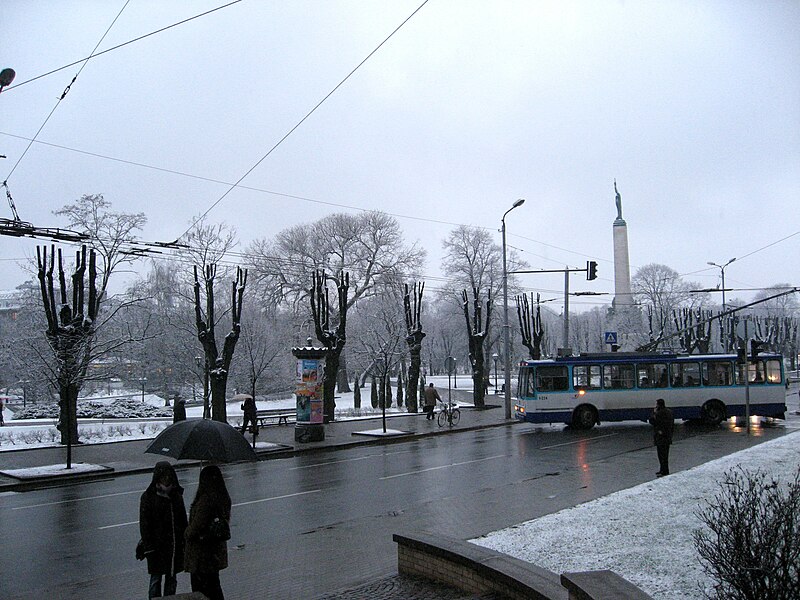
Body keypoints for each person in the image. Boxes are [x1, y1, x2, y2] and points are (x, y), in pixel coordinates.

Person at [139, 461, 188, 598]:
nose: (166, 479)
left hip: (173, 545)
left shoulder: (176, 495)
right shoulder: (149, 497)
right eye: (163, 476)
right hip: (156, 547)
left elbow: (183, 520)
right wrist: (149, 547)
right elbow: (145, 524)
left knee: (171, 578)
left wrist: (184, 540)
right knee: (156, 579)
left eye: (168, 476)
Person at [184, 465, 232, 600]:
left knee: (201, 591)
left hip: (202, 554)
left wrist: (187, 533)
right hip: (214, 552)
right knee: (214, 586)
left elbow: (196, 526)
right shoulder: (222, 497)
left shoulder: (206, 500)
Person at [649, 399, 674, 477]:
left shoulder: (659, 413)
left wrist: (653, 413)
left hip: (660, 437)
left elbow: (653, 422)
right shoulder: (669, 412)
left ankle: (663, 471)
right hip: (667, 437)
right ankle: (665, 470)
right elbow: (671, 424)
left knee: (661, 455)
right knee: (665, 455)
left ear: (658, 405)